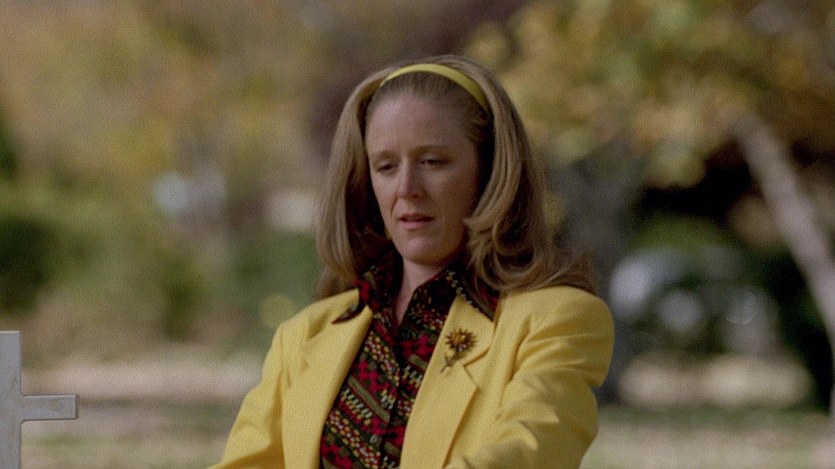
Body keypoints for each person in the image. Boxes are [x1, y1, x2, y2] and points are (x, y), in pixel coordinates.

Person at [210, 55, 614, 469]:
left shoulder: (557, 320)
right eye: (386, 166)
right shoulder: (302, 337)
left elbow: (529, 453)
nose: (406, 188)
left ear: (490, 170)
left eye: (432, 161)